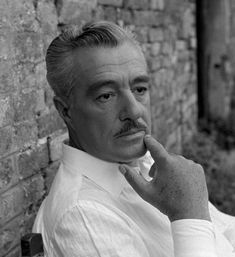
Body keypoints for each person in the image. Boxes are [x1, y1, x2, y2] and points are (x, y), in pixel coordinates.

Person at [33, 21, 235, 257]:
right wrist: (190, 214)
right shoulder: (83, 217)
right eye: (106, 95)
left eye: (139, 89)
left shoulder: (146, 164)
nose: (135, 111)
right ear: (65, 111)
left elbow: (226, 232)